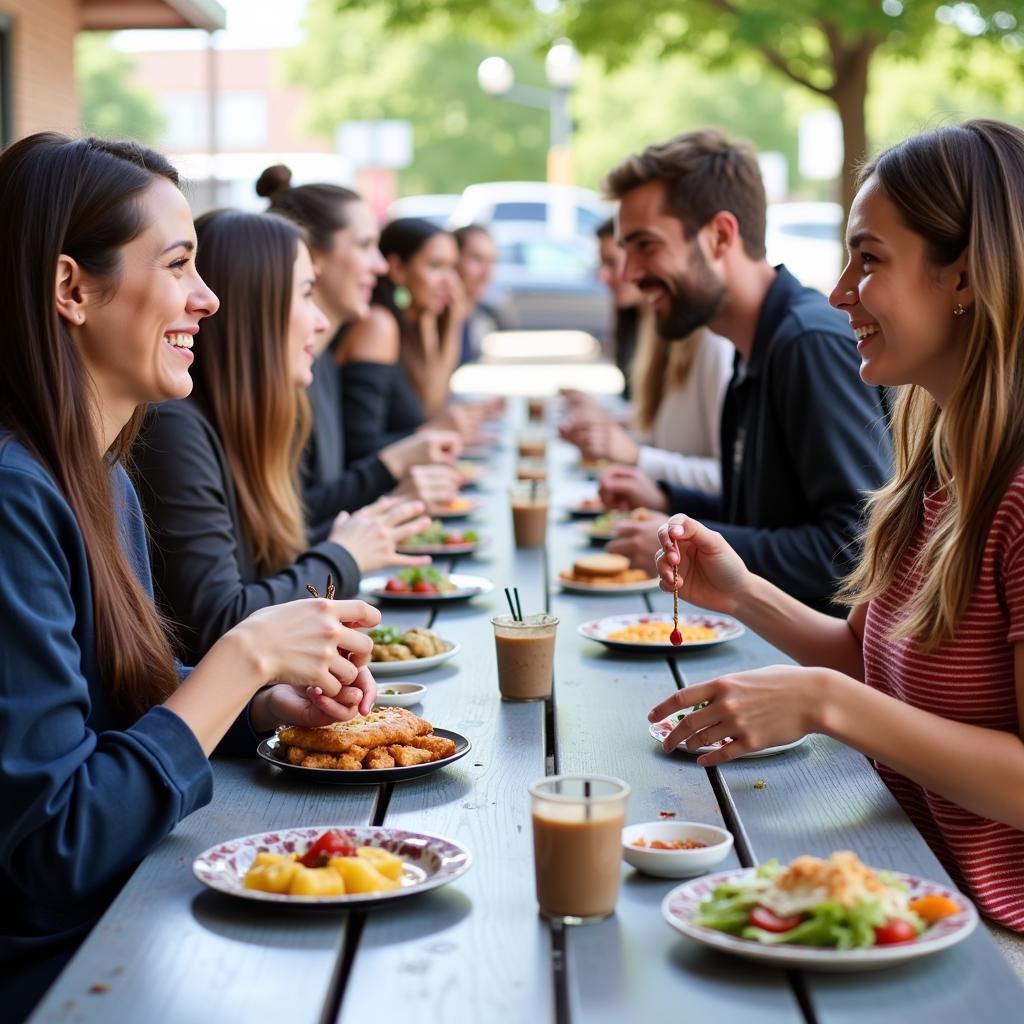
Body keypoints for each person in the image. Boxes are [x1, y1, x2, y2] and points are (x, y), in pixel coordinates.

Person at [0, 134, 379, 1022]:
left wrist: (259, 711)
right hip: (66, 973)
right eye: (178, 266)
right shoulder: (15, 502)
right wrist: (242, 660)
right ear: (71, 290)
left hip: (133, 923)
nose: (207, 300)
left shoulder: (100, 479)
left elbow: (108, 703)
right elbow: (61, 840)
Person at [652, 119, 1024, 934]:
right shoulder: (936, 466)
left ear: (963, 276)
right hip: (901, 885)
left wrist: (825, 704)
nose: (839, 292)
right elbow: (875, 662)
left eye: (870, 258)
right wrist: (745, 593)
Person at [599, 129, 892, 614]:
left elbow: (853, 550)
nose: (629, 273)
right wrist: (670, 499)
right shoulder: (752, 345)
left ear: (720, 235)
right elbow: (769, 518)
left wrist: (696, 543)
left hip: (813, 670)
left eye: (645, 246)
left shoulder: (806, 344)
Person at [133, 210, 433, 665]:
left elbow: (266, 564)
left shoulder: (248, 419)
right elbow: (218, 624)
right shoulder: (174, 428)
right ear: (256, 309)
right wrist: (344, 555)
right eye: (307, 294)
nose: (319, 321)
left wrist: (356, 537)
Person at [256, 166, 463, 530]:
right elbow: (288, 524)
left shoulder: (321, 365)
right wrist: (394, 469)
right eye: (366, 245)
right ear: (313, 256)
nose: (380, 265)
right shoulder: (279, 375)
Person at [337, 217, 495, 462]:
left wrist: (449, 324)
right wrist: (432, 433)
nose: (450, 282)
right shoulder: (377, 325)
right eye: (435, 266)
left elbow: (431, 404)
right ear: (397, 268)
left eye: (452, 268)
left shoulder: (415, 323)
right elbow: (359, 448)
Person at [453, 224, 499, 364]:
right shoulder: (433, 320)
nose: (487, 273)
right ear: (453, 260)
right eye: (477, 259)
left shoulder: (480, 317)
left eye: (492, 261)